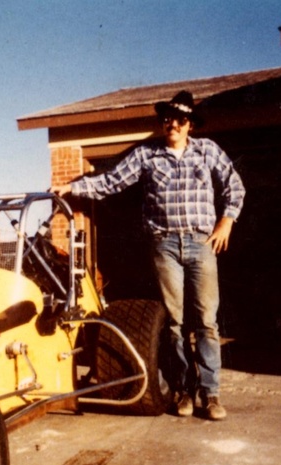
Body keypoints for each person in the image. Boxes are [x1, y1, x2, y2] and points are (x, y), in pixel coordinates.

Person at [52, 90, 245, 421]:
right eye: (168, 118)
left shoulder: (207, 151)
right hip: (164, 244)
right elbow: (112, 181)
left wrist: (226, 222)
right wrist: (73, 188)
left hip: (202, 244)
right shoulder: (146, 155)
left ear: (189, 126)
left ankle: (210, 394)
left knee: (206, 322)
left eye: (181, 119)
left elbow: (234, 186)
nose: (173, 124)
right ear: (163, 122)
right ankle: (183, 390)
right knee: (175, 322)